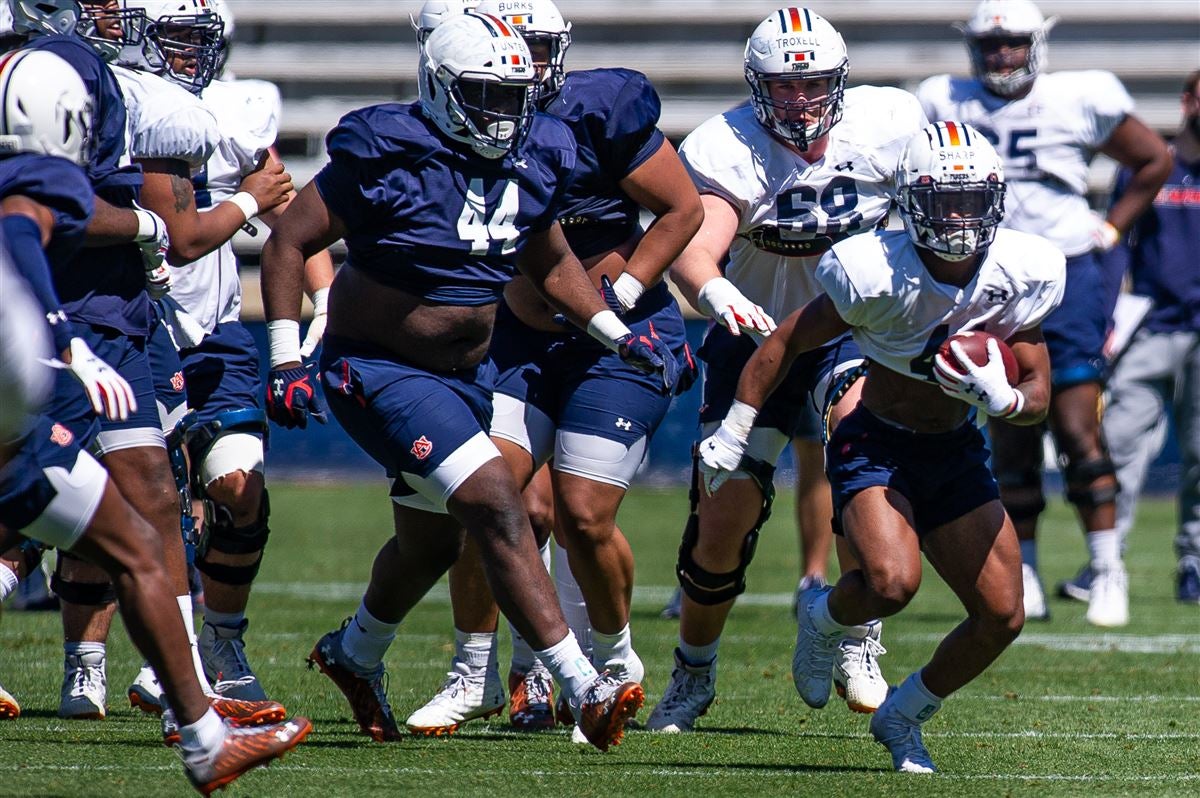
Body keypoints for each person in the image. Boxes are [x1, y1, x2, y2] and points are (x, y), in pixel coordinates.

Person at [261, 12, 659, 751]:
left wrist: (612, 331)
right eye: (488, 95)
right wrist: (285, 356)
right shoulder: (387, 149)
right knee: (496, 502)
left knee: (428, 546)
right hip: (376, 367)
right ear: (440, 88)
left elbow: (548, 259)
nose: (507, 113)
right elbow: (291, 239)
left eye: (517, 95)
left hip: (468, 377)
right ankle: (582, 685)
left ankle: (354, 652)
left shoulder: (537, 149)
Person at [701, 121, 1064, 772]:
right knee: (892, 585)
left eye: (972, 200)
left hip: (954, 448)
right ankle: (824, 618)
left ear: (997, 201)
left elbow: (1038, 394)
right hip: (877, 440)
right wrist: (735, 428)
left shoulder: (1021, 269)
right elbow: (784, 342)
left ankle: (906, 713)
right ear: (912, 201)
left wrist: (1003, 399)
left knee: (1003, 614)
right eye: (944, 201)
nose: (958, 217)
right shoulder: (872, 268)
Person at [0, 47, 311, 794]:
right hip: (28, 382)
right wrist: (67, 341)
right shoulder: (39, 177)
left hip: (41, 374)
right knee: (127, 539)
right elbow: (22, 239)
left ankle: (201, 731)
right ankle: (198, 727)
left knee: (138, 536)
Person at [399, 0, 702, 740]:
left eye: (535, 46)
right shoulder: (452, 122)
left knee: (583, 513)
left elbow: (682, 209)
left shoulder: (600, 110)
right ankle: (475, 673)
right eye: (506, 47)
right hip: (515, 340)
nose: (521, 66)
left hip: (616, 337)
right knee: (487, 497)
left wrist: (624, 292)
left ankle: (615, 663)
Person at [646, 7, 927, 734]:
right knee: (724, 519)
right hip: (755, 332)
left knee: (864, 470)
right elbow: (696, 241)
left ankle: (857, 633)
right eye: (784, 85)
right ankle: (693, 672)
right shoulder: (727, 145)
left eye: (815, 85)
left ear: (840, 82)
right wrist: (715, 291)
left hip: (851, 333)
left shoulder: (889, 124)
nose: (800, 101)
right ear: (755, 84)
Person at [917, 0, 1173, 627]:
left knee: (1079, 427)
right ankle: (1024, 567)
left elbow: (1153, 158)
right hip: (990, 274)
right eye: (990, 45)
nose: (1001, 56)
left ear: (1038, 44)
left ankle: (1107, 567)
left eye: (1013, 43)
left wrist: (1111, 230)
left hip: (1065, 272)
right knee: (1009, 430)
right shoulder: (941, 98)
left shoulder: (1078, 96)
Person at [1058, 71, 1200, 607]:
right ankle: (1105, 561)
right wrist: (1107, 311)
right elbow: (1117, 241)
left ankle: (1194, 561)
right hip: (1153, 325)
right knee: (1115, 441)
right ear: (1188, 100)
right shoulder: (1152, 164)